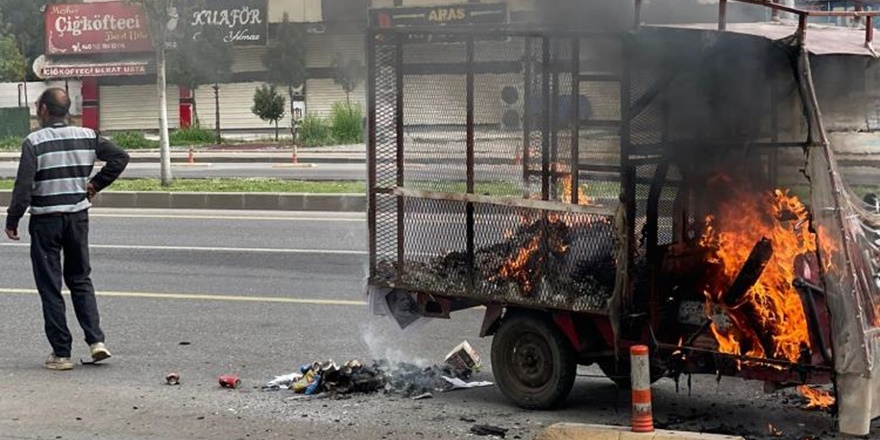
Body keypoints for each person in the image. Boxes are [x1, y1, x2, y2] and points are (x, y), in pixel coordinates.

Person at [4, 88, 129, 370]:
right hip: (77, 219)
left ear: (44, 110)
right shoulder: (87, 136)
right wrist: (95, 184)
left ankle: (61, 354)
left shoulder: (33, 141)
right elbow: (120, 158)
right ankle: (96, 342)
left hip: (46, 221)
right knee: (80, 279)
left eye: (38, 106)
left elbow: (23, 188)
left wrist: (12, 220)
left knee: (50, 287)